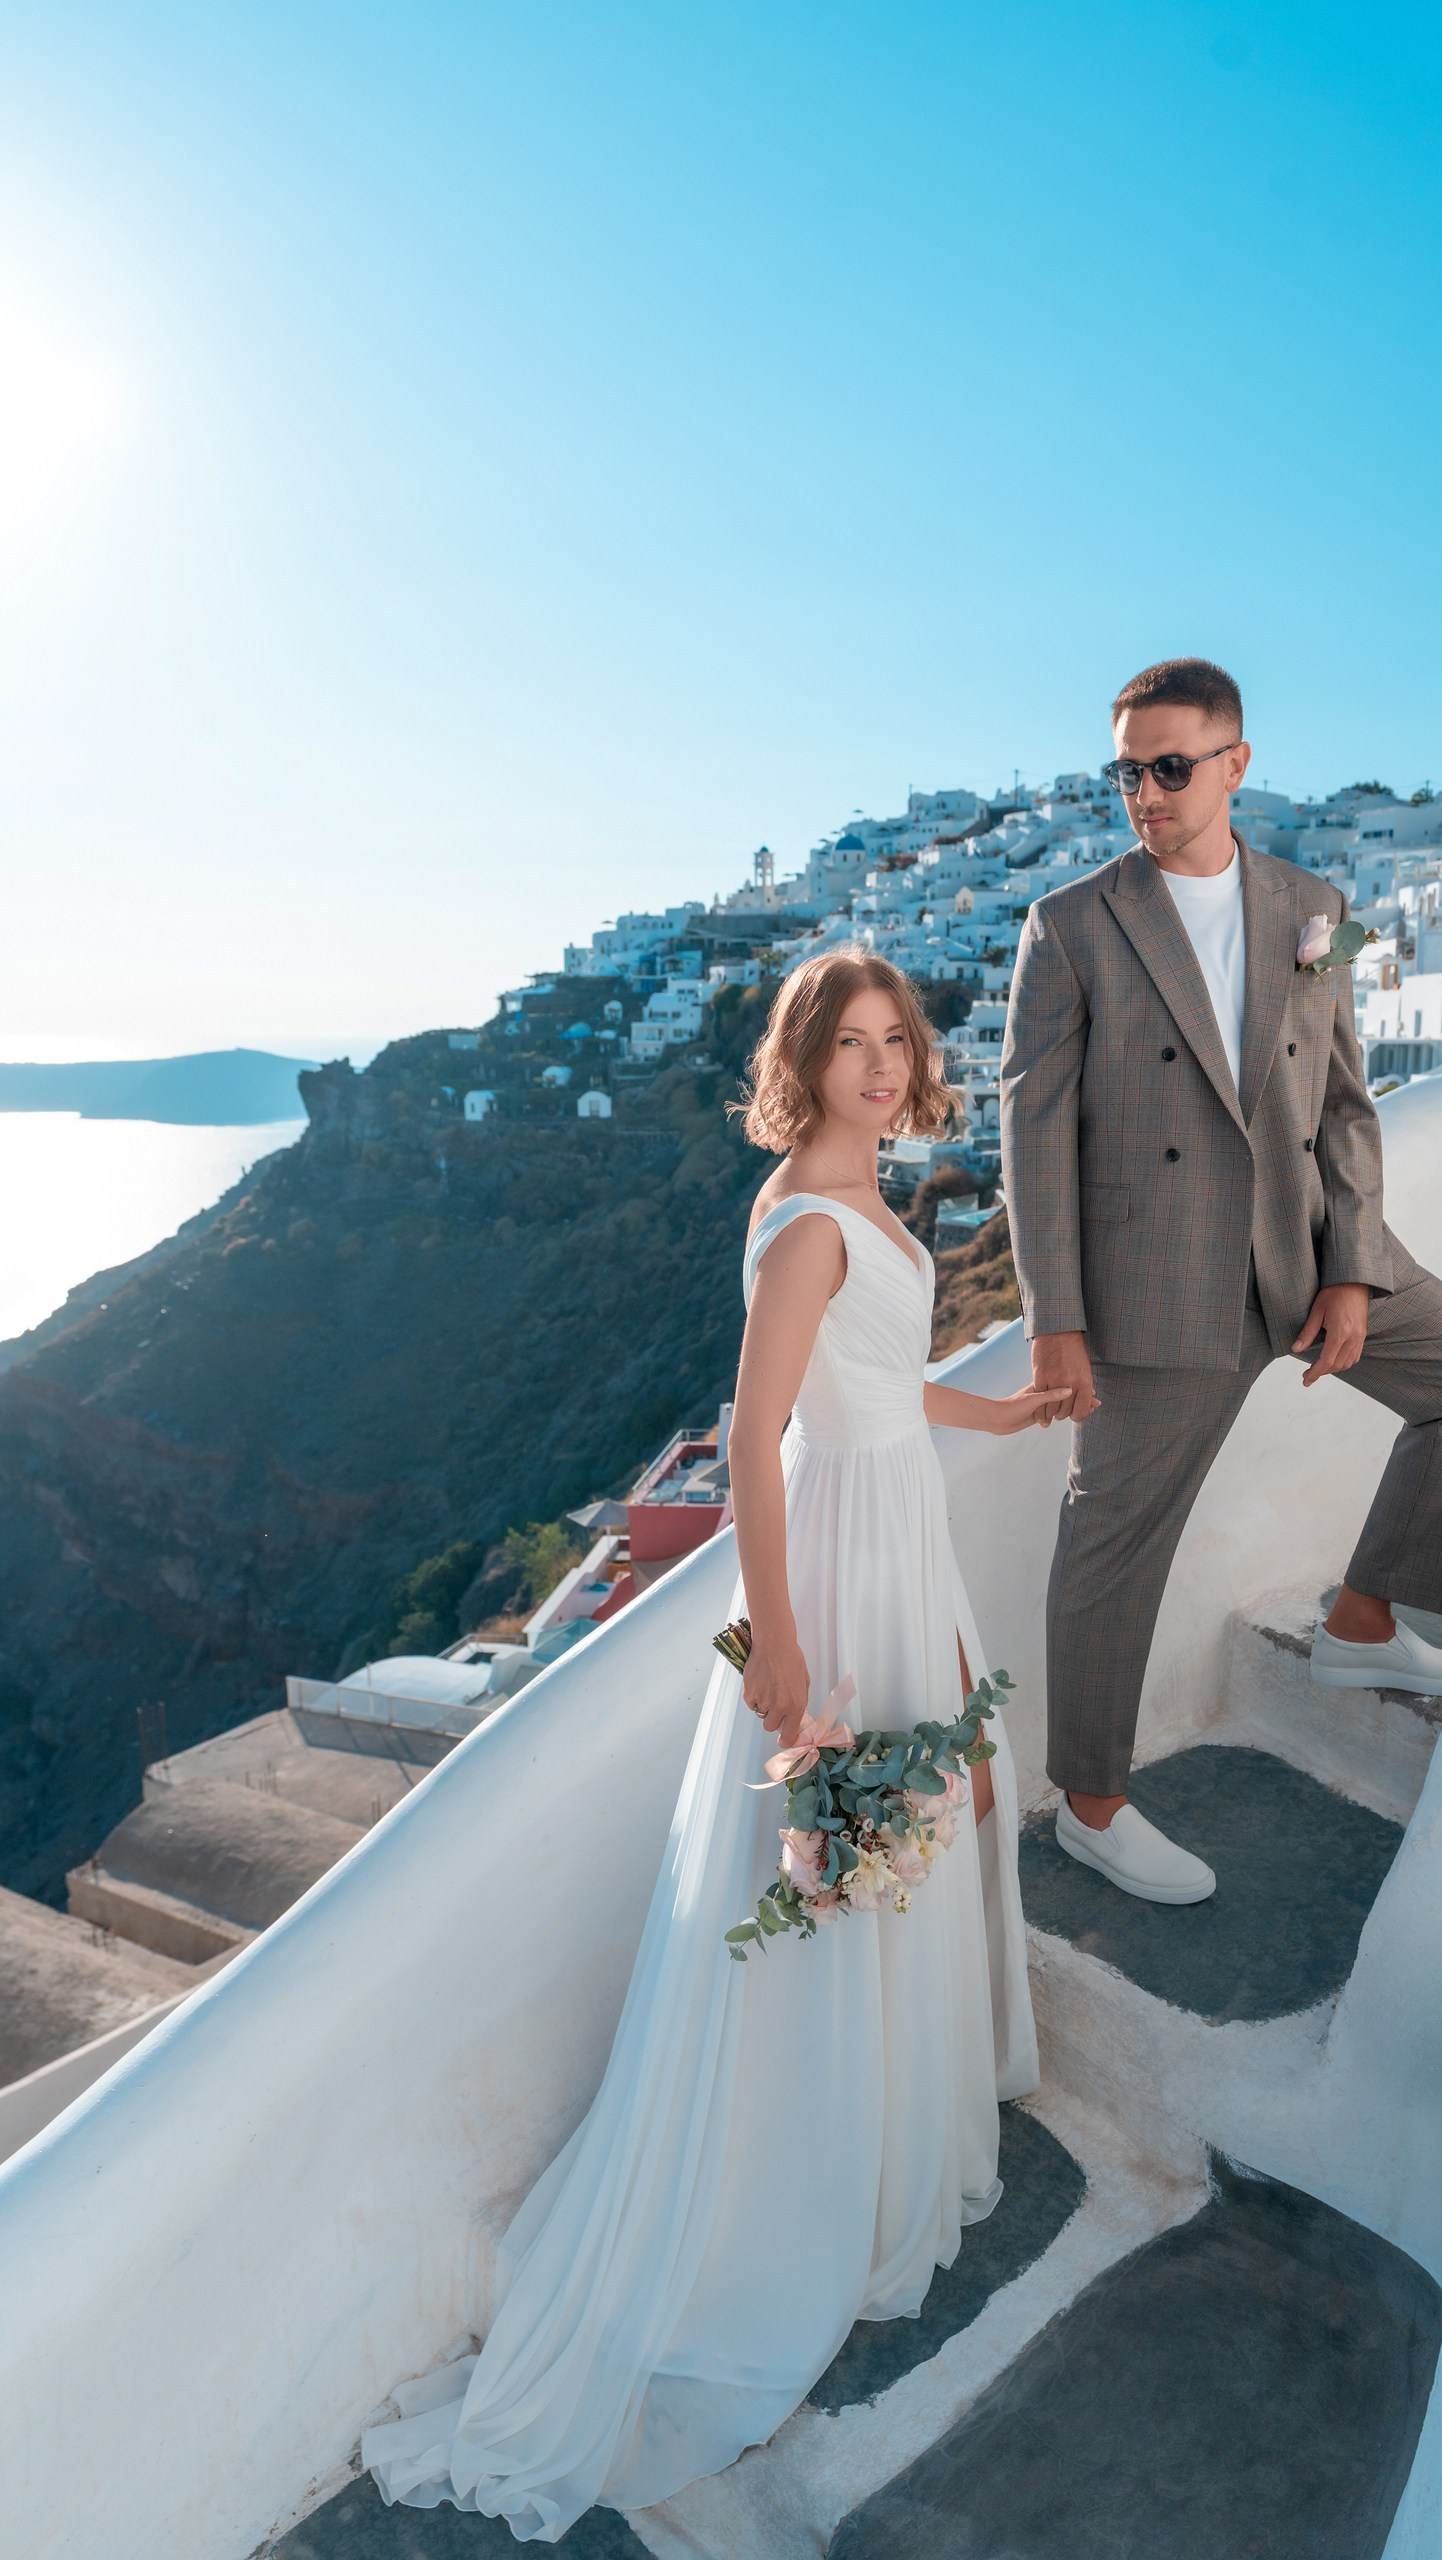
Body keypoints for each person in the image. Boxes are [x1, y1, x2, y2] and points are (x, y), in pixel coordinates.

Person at [362, 947, 1048, 2542]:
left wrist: (996, 1412)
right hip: (838, 1558)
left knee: (919, 1814)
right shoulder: (807, 1220)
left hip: (896, 1529)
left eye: (894, 1040)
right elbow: (756, 1434)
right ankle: (809, 2172)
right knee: (844, 1848)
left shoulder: (864, 1196)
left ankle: (883, 2115)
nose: (879, 1066)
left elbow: (875, 1388)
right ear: (800, 1064)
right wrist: (783, 1641)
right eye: (848, 1044)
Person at [1001, 656, 1442, 1907]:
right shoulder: (1069, 923)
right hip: (1155, 1286)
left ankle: (1362, 1621)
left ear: (1235, 764)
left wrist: (1354, 1272)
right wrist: (1054, 1321)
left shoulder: (1316, 903)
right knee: (1112, 1547)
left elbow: (1344, 1104)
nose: (1145, 793)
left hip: (1303, 1256)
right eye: (1126, 772)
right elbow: (1032, 1134)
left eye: (1169, 766)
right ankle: (1091, 1807)